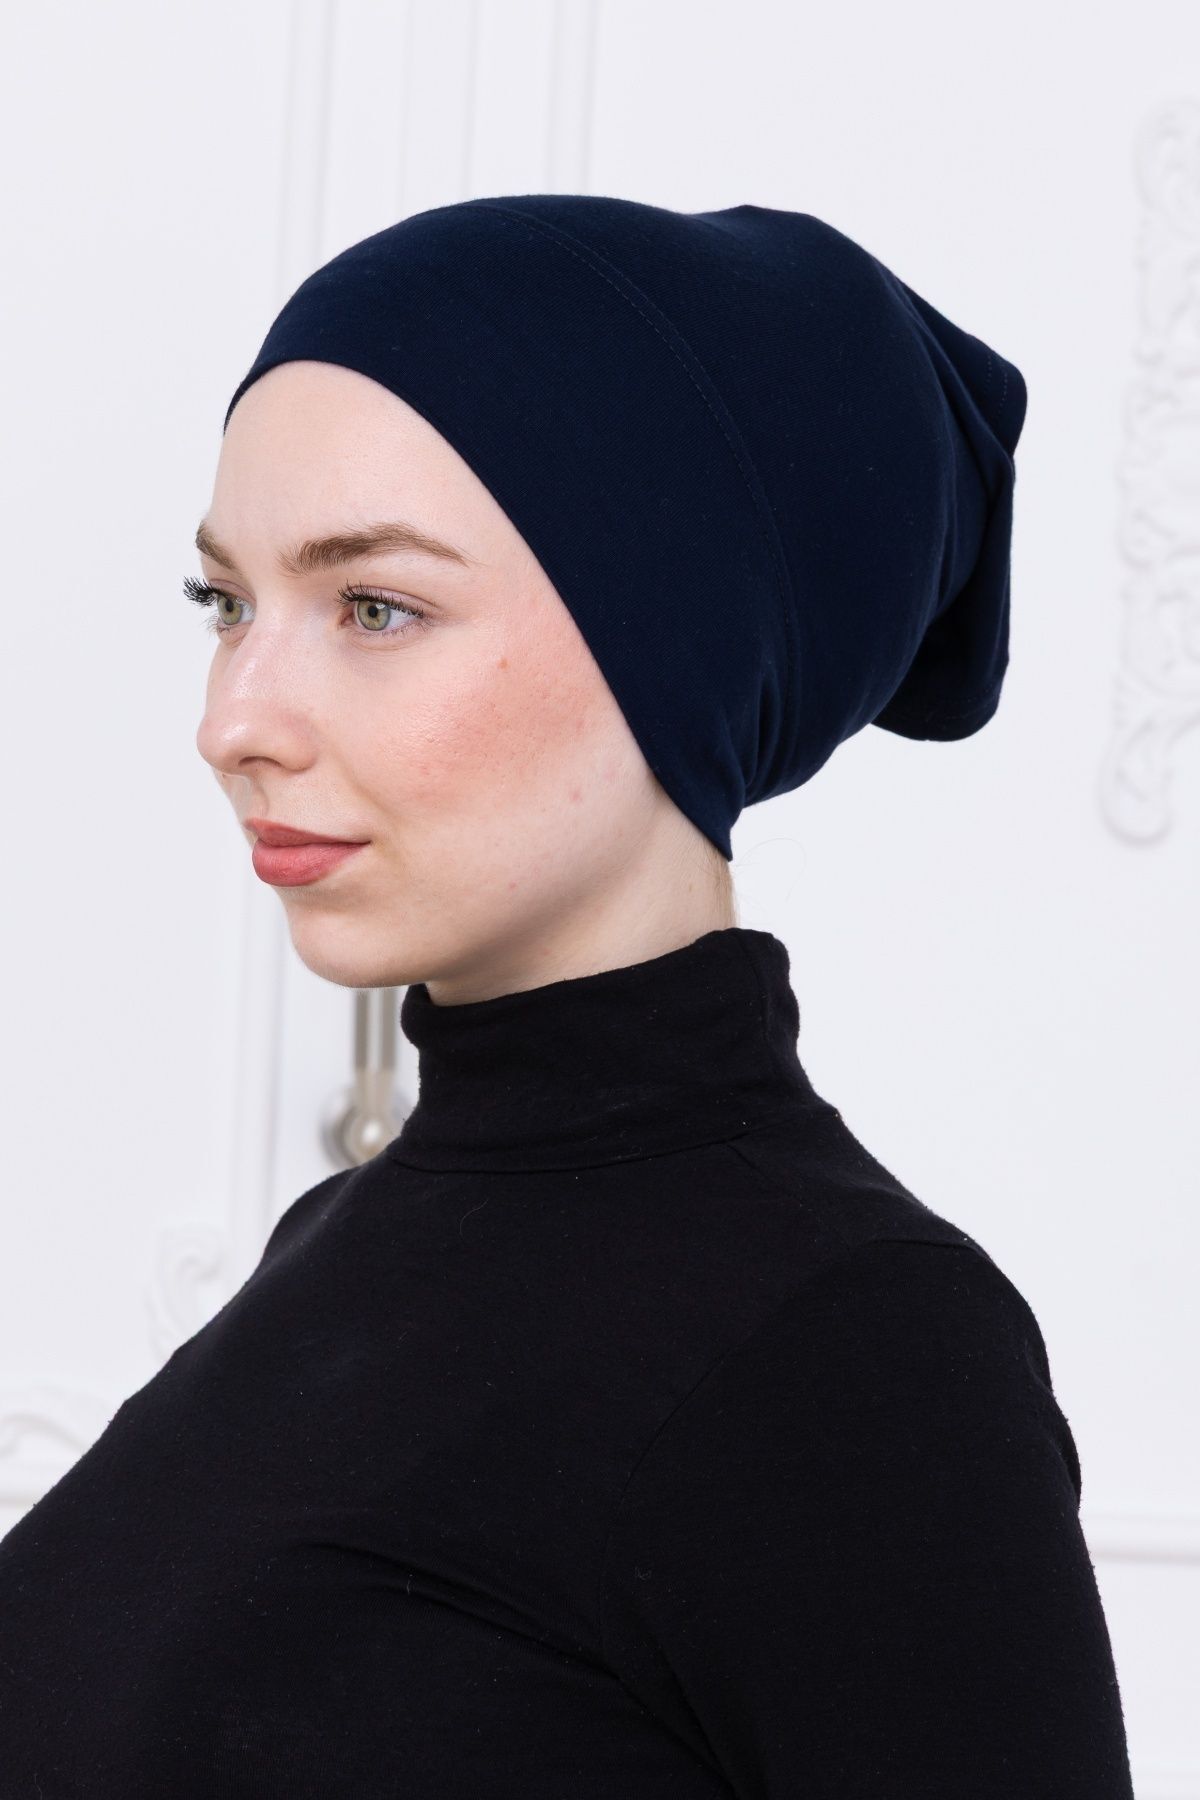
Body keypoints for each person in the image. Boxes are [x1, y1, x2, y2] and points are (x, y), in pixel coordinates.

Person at [0, 194, 1136, 1796]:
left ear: (673, 642)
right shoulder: (348, 1246)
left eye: (375, 607)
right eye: (227, 604)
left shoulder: (848, 1347)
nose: (234, 720)